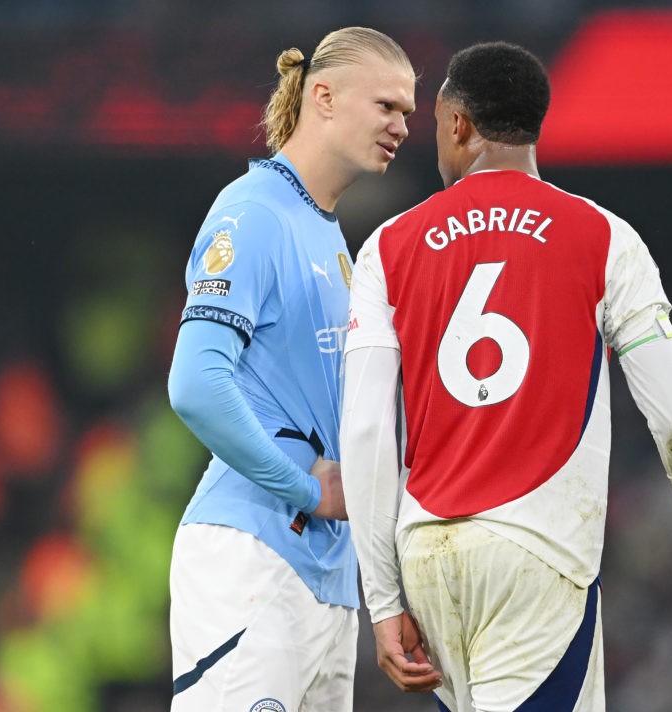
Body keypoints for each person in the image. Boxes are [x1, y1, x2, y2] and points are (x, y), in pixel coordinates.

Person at [340, 41, 672, 711]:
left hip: (426, 555)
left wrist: (383, 600)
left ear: (458, 124)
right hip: (537, 555)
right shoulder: (605, 237)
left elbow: (364, 432)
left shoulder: (388, 246)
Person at [166, 27, 415, 712]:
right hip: (252, 558)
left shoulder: (327, 232)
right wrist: (303, 489)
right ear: (324, 97)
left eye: (408, 114)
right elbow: (195, 386)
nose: (400, 126)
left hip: (326, 579)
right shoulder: (252, 214)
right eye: (387, 106)